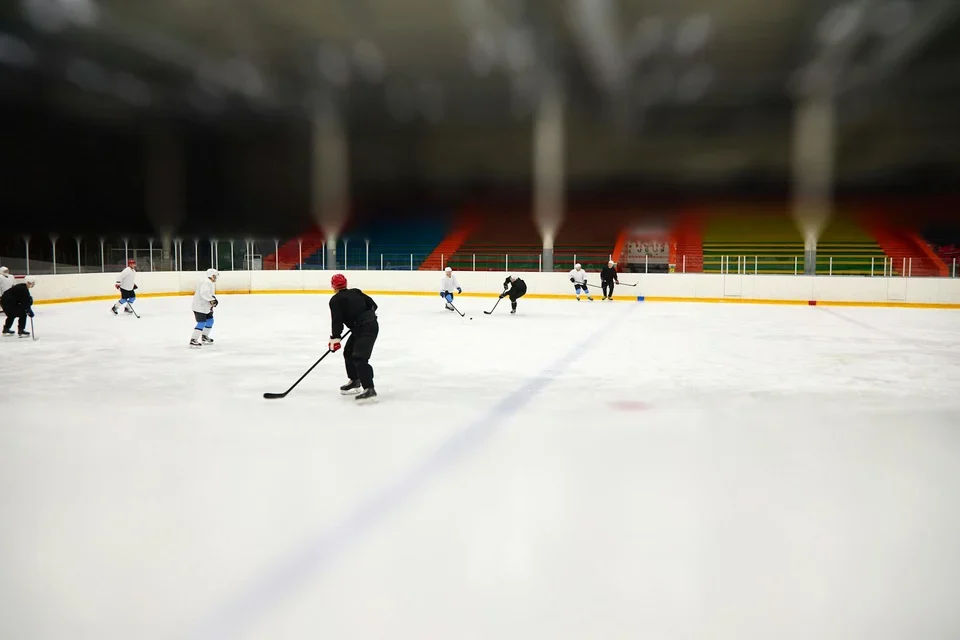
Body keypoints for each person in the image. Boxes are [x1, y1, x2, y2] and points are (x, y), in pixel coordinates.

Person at [329, 273, 379, 403]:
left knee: (359, 357)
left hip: (366, 329)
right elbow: (373, 305)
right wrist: (363, 318)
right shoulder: (356, 292)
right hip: (368, 326)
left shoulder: (335, 300)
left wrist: (335, 338)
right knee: (349, 353)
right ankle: (355, 380)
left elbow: (337, 321)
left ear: (333, 286)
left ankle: (369, 388)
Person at [190, 268, 218, 348]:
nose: (215, 278)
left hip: (205, 306)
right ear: (212, 276)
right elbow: (204, 293)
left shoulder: (208, 282)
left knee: (210, 320)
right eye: (215, 276)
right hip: (199, 306)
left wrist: (212, 300)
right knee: (201, 323)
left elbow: (208, 294)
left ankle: (204, 337)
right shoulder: (206, 282)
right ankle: (193, 340)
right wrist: (212, 300)